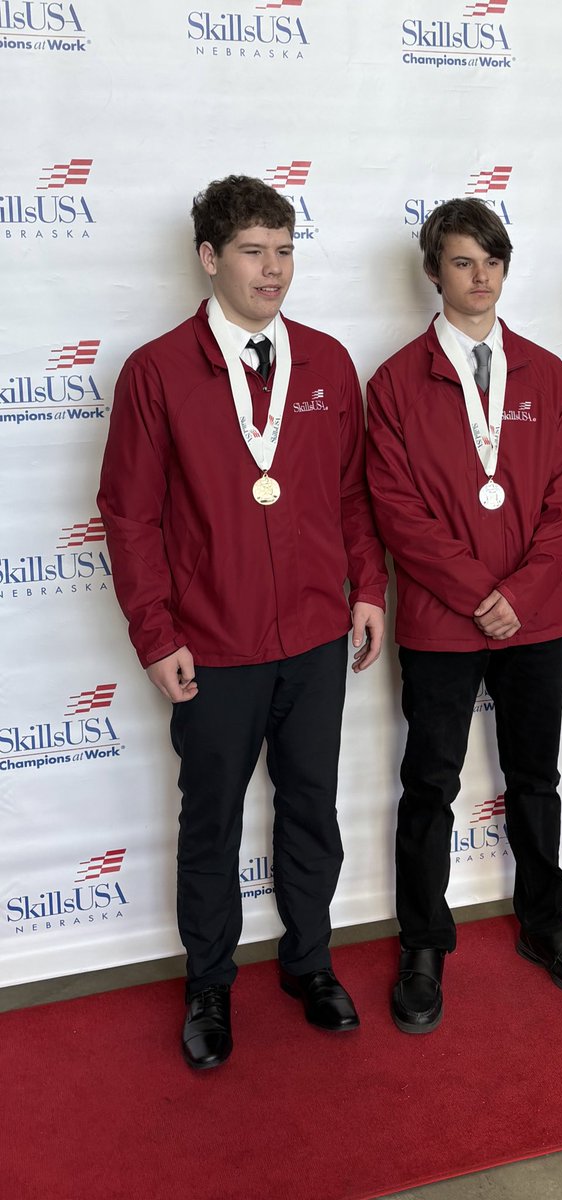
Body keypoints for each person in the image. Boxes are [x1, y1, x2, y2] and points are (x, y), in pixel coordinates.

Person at [98, 175, 387, 1069]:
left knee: (312, 811)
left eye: (286, 250)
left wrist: (367, 589)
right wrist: (156, 636)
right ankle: (211, 986)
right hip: (212, 648)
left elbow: (350, 495)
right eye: (255, 252)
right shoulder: (156, 372)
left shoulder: (330, 364)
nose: (275, 269)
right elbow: (129, 515)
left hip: (312, 638)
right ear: (209, 257)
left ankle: (308, 964)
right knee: (212, 821)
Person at [366, 198, 562, 1034]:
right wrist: (478, 592)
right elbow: (396, 509)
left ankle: (546, 922)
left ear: (507, 270)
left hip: (534, 618)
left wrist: (525, 591)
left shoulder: (545, 373)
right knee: (430, 782)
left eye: (492, 261)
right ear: (434, 272)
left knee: (535, 778)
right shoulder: (395, 382)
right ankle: (425, 944)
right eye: (463, 262)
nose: (480, 277)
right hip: (443, 619)